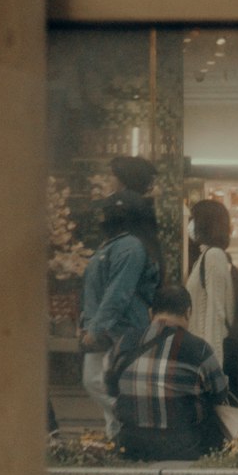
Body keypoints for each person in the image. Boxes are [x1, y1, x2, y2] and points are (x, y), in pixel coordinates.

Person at [104, 278, 236, 462]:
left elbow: (110, 388)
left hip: (131, 446)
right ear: (188, 313)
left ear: (151, 313)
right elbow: (220, 395)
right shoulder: (200, 349)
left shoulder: (123, 343)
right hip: (185, 447)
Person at [79, 153, 167, 412]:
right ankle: (121, 434)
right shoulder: (124, 242)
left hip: (119, 329)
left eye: (111, 177)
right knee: (106, 383)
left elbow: (119, 291)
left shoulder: (128, 246)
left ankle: (131, 421)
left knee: (102, 383)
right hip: (111, 327)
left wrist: (95, 328)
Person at [185, 193, 238, 403]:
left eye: (193, 219)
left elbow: (216, 313)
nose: (189, 225)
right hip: (203, 354)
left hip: (209, 357)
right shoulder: (206, 257)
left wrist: (213, 371)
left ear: (203, 223)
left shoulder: (213, 257)